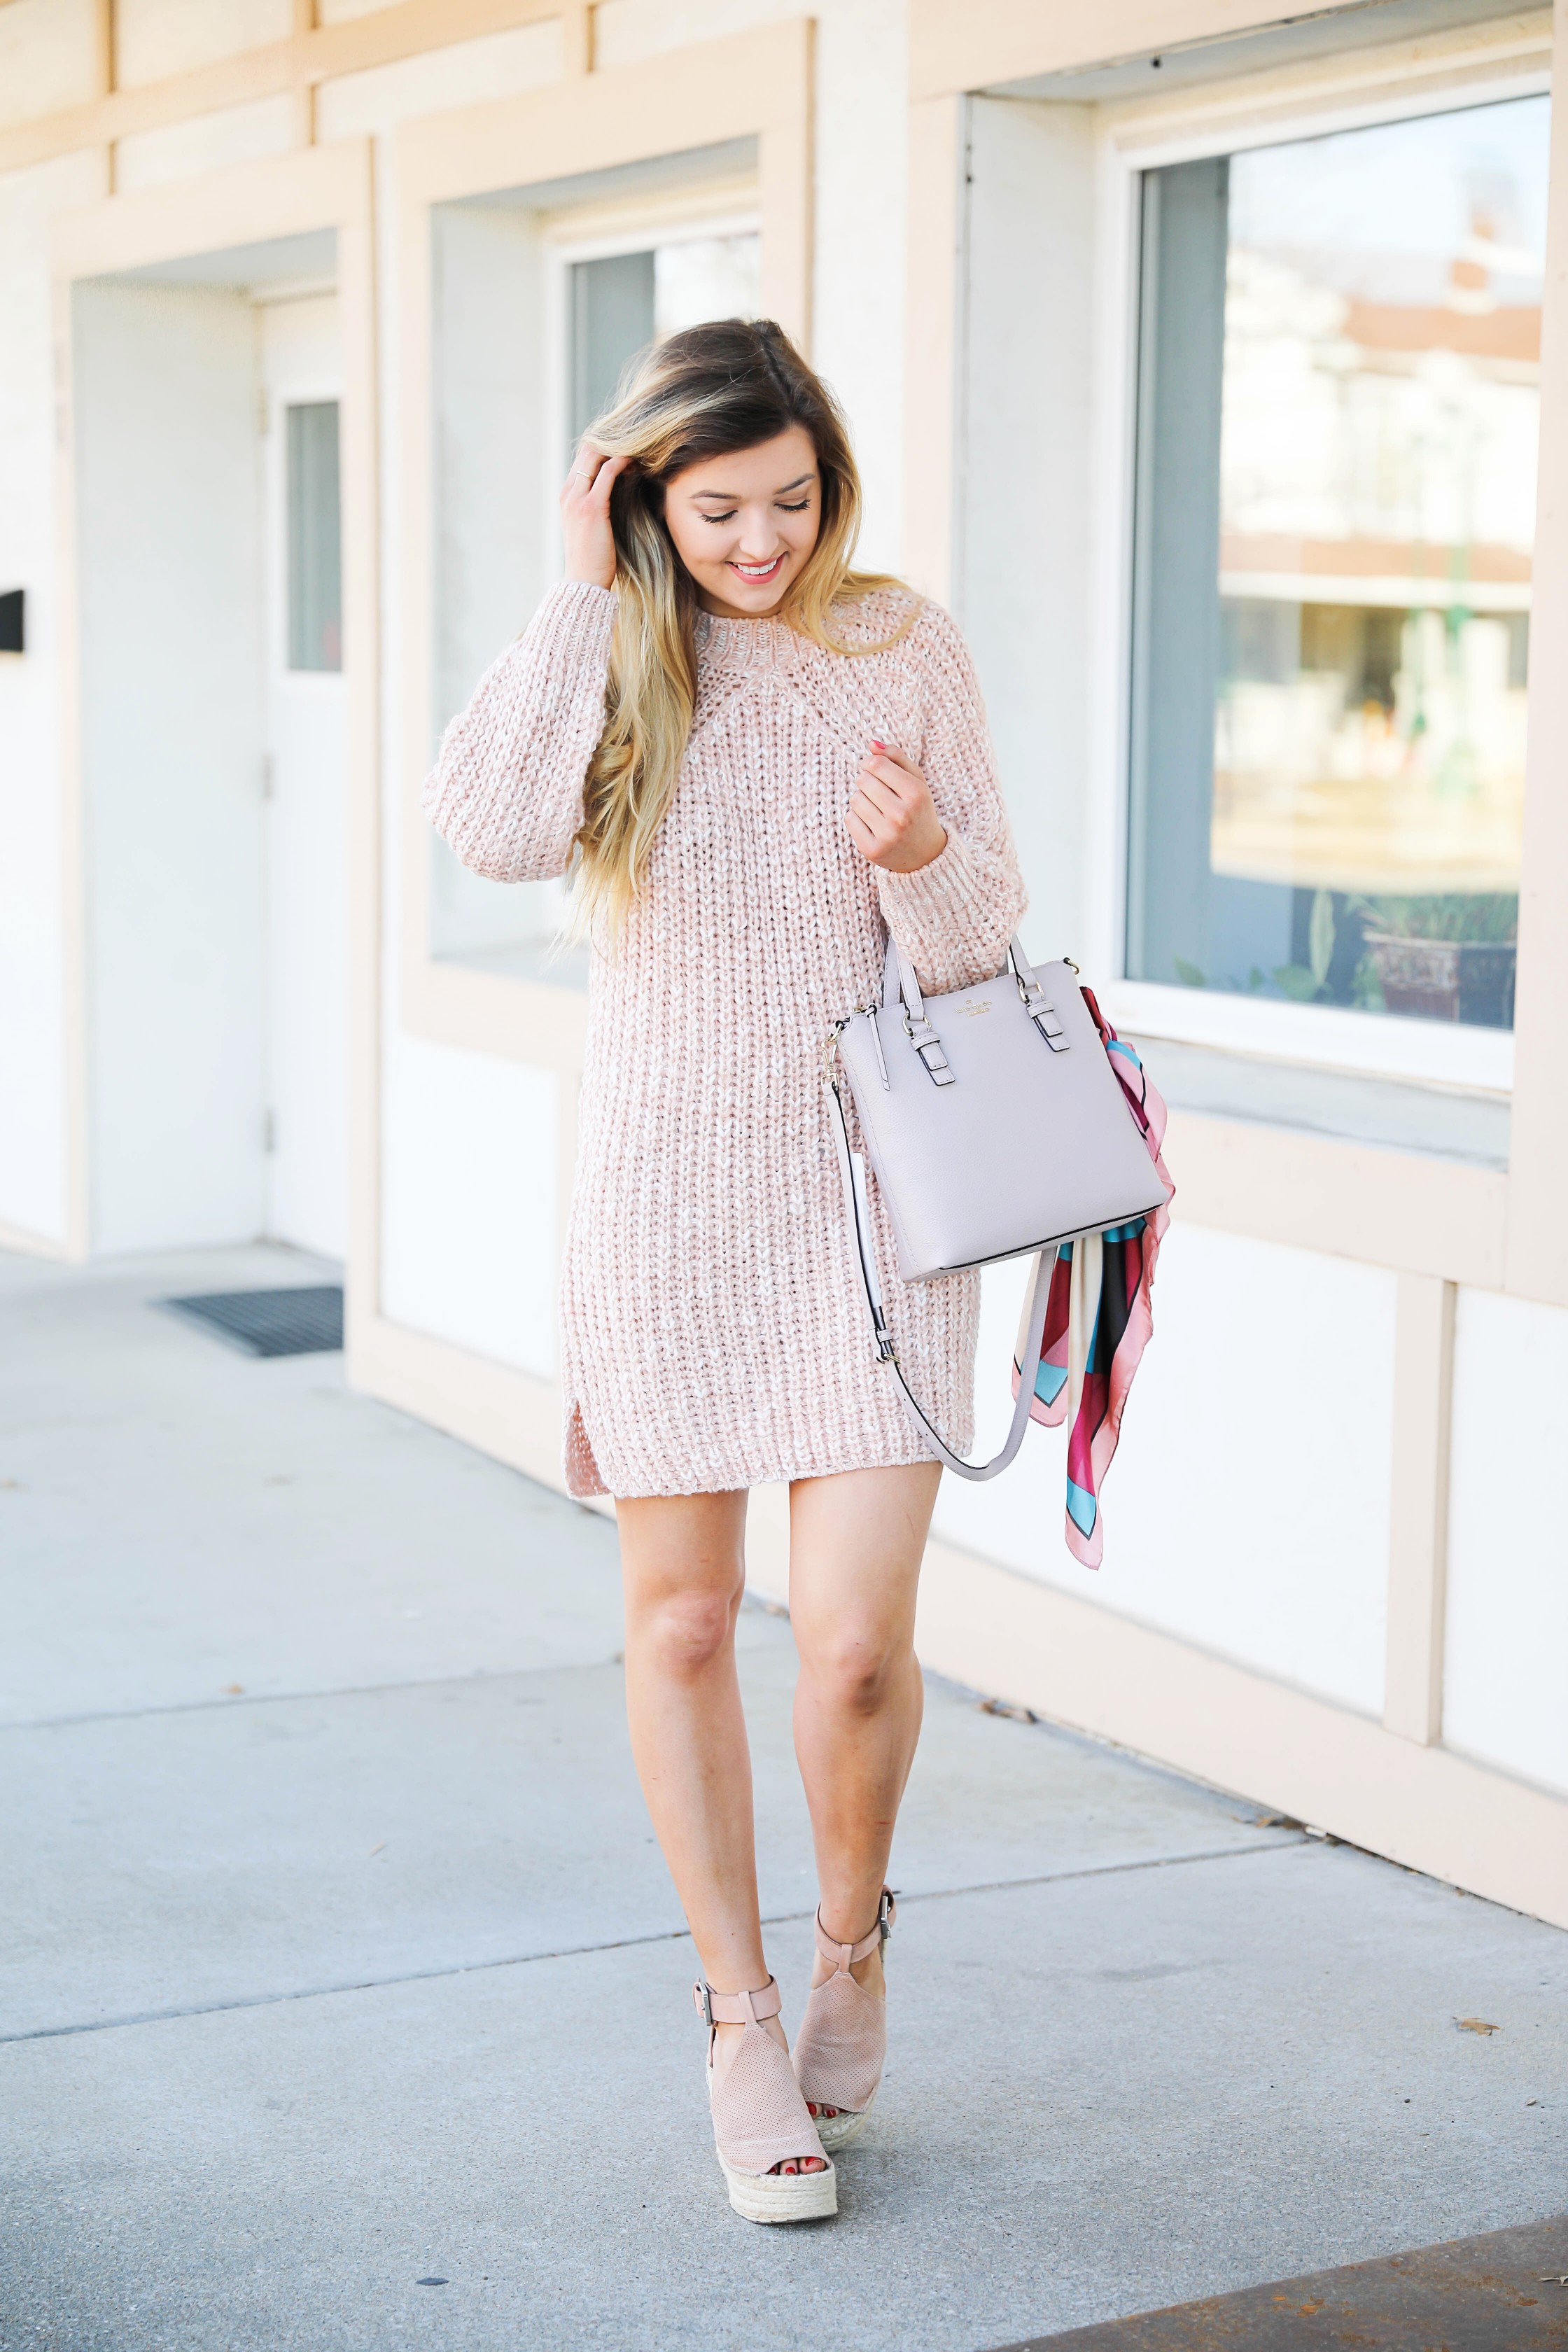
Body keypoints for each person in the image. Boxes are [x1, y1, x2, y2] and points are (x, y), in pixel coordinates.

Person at [424, 318, 1024, 2224]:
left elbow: (988, 931)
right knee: (683, 1629)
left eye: (790, 501)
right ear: (646, 497)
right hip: (666, 1204)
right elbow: (495, 833)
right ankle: (739, 2012)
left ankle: (852, 1939)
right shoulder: (616, 643)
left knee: (848, 1651)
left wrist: (925, 852)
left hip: (867, 1207)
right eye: (718, 508)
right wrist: (578, 590)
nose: (761, 542)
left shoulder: (899, 640)